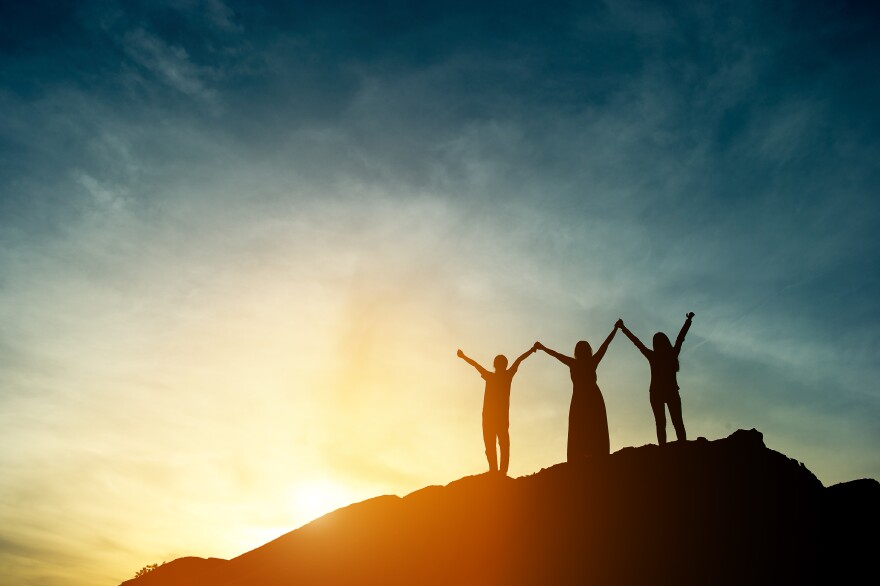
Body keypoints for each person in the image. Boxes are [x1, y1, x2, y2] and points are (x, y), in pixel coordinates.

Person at [534, 323, 619, 463]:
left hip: (583, 399)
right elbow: (605, 345)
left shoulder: (576, 363)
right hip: (590, 398)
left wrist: (542, 347)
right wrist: (615, 329)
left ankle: (586, 455)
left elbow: (556, 355)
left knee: (584, 425)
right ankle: (592, 454)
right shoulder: (588, 362)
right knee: (590, 425)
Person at [617, 312, 695, 445]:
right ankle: (681, 447)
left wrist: (623, 328)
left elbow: (637, 342)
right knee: (676, 422)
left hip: (658, 392)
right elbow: (680, 338)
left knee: (662, 423)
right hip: (667, 391)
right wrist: (688, 321)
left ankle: (664, 449)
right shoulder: (671, 354)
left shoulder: (654, 356)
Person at [457, 346, 535, 475]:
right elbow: (519, 359)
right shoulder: (505, 375)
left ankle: (496, 470)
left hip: (490, 417)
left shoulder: (491, 376)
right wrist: (532, 349)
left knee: (493, 444)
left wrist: (463, 356)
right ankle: (499, 471)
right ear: (504, 365)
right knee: (500, 444)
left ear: (495, 365)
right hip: (497, 417)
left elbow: (476, 365)